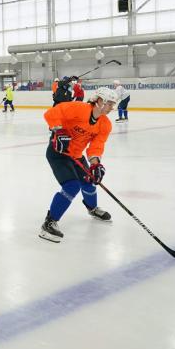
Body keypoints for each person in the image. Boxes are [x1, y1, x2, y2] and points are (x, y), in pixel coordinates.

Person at [39, 87, 119, 243]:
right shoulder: (78, 108)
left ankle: (92, 208)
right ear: (100, 101)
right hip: (58, 154)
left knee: (90, 181)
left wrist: (95, 165)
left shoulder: (105, 124)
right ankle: (49, 223)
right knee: (72, 186)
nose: (111, 108)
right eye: (110, 104)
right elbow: (52, 113)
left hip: (76, 156)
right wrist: (58, 131)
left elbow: (97, 145)